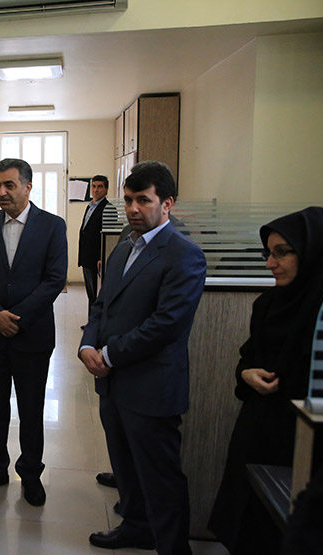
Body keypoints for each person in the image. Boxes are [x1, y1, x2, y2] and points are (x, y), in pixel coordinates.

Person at [79, 161, 206, 554]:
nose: (133, 209)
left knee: (159, 475)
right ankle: (136, 527)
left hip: (151, 385)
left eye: (144, 200)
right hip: (113, 384)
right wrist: (87, 345)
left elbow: (166, 325)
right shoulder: (122, 249)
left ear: (167, 203)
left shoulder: (183, 255)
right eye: (129, 200)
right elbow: (102, 305)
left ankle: (172, 547)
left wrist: (109, 354)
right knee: (125, 466)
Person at [208, 207, 323, 554]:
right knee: (248, 519)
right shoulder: (269, 303)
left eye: (282, 252)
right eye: (268, 253)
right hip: (260, 427)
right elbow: (250, 355)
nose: (270, 263)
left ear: (313, 251)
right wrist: (245, 372)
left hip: (311, 441)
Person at [0, 158, 67, 506]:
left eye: (9, 185)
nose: (1, 192)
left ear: (28, 187)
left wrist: (17, 318)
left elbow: (54, 279)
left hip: (32, 335)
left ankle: (31, 474)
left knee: (31, 409)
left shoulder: (52, 226)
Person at [78, 175, 109, 320]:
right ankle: (92, 321)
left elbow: (107, 237)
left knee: (97, 294)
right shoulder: (90, 206)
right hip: (86, 256)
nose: (96, 190)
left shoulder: (108, 208)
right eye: (93, 186)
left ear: (106, 189)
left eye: (100, 187)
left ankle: (97, 322)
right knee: (90, 293)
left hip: (97, 258)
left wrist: (101, 256)